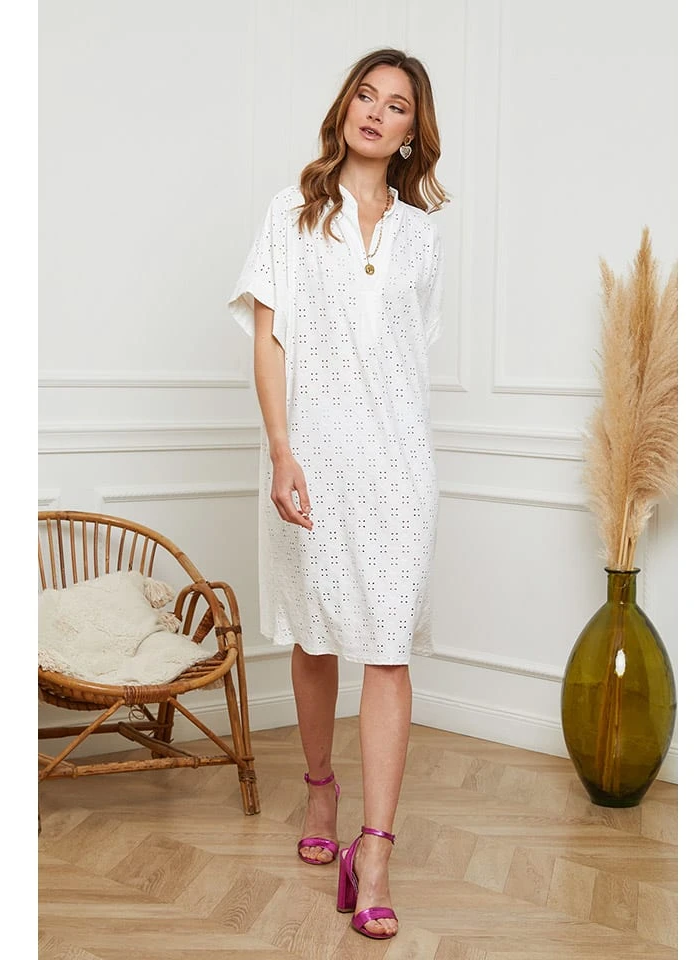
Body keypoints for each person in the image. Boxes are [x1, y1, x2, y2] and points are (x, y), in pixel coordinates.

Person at [229, 47, 447, 941]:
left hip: (399, 465)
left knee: (388, 649)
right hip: (312, 457)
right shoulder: (291, 212)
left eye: (397, 106)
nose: (376, 112)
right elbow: (269, 341)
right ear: (345, 107)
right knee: (317, 634)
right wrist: (282, 451)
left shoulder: (422, 236)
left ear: (410, 135)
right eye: (366, 95)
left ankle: (377, 852)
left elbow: (411, 357)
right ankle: (320, 788)